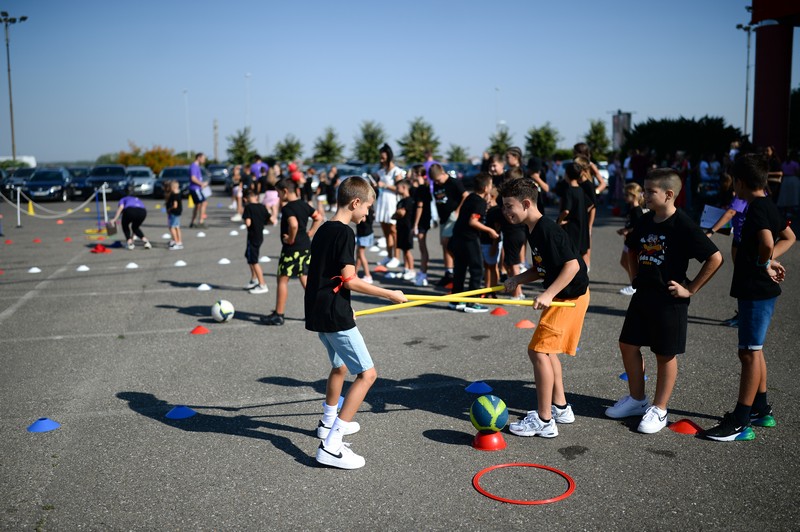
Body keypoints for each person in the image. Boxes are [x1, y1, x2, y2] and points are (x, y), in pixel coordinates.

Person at [606, 168, 723, 434]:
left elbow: (714, 258)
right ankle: (637, 400)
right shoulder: (646, 221)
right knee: (627, 344)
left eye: (650, 191)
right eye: (644, 190)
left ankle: (659, 409)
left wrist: (690, 288)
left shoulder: (683, 224)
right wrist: (635, 276)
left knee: (664, 354)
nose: (644, 196)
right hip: (643, 295)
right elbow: (633, 247)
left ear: (669, 195)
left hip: (670, 300)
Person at [307, 176, 407, 469]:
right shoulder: (345, 233)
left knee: (339, 366)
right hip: (333, 315)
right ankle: (331, 445)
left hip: (320, 311)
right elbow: (349, 280)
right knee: (368, 374)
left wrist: (342, 306)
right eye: (367, 208)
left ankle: (328, 423)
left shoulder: (324, 228)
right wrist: (389, 293)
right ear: (355, 203)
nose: (367, 214)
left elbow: (325, 277)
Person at [704, 153, 796, 442]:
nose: (734, 190)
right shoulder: (768, 203)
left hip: (755, 290)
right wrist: (768, 261)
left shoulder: (756, 209)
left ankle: (741, 421)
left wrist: (763, 262)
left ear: (741, 183)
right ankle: (759, 407)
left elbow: (768, 242)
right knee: (754, 349)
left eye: (734, 184)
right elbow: (790, 237)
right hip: (758, 289)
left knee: (749, 353)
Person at [500, 177, 590, 438]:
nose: (506, 212)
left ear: (526, 203)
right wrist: (518, 279)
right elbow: (543, 268)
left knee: (537, 351)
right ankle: (560, 408)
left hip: (569, 298)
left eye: (509, 206)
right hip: (564, 297)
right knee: (547, 352)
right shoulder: (534, 229)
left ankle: (544, 420)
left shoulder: (547, 230)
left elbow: (572, 265)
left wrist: (549, 293)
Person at [261, 179, 322, 325]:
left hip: (291, 249)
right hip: (306, 246)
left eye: (278, 192)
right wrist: (310, 233)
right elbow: (318, 217)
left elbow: (293, 225)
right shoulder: (303, 204)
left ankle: (279, 314)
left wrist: (291, 239)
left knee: (283, 279)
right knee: (305, 278)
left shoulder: (288, 208)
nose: (277, 196)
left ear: (285, 191)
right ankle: (316, 312)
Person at [447, 173, 498, 313]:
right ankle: (472, 302)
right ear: (486, 187)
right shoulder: (479, 202)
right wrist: (490, 231)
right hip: (469, 238)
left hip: (457, 236)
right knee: (477, 269)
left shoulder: (470, 197)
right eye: (491, 184)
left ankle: (455, 300)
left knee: (460, 269)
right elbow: (473, 221)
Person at [431, 163, 467, 287]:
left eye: (438, 179)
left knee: (448, 243)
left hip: (453, 218)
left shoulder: (454, 182)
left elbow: (465, 196)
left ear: (442, 173)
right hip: (443, 219)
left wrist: (457, 212)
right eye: (435, 181)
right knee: (445, 245)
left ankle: (455, 270)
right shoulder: (436, 185)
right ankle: (448, 272)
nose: (437, 182)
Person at [374, 144, 404, 269]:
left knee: (394, 231)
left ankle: (396, 257)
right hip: (382, 202)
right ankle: (389, 255)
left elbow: (401, 189)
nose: (381, 160)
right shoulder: (380, 171)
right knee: (386, 231)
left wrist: (385, 185)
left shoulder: (397, 171)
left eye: (383, 157)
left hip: (392, 202)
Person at [556, 163, 590, 268]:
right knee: (580, 252)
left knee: (569, 255)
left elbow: (566, 211)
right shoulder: (581, 189)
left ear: (566, 174)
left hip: (571, 227)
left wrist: (559, 221)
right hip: (582, 225)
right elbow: (590, 204)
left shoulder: (568, 191)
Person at [241, 189, 271, 294]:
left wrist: (246, 220)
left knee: (254, 260)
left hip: (252, 236)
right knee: (248, 255)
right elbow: (269, 221)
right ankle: (254, 279)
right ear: (256, 197)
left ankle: (262, 284)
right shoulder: (262, 207)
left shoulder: (248, 208)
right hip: (260, 236)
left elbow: (248, 223)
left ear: (245, 199)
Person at [617, 182, 645, 295]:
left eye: (626, 195)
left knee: (630, 262)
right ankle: (633, 281)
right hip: (628, 240)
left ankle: (634, 285)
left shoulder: (638, 210)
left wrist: (627, 230)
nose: (624, 197)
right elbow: (630, 224)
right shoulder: (631, 208)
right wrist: (624, 230)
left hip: (633, 241)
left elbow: (639, 226)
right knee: (624, 262)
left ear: (633, 196)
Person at [410, 165, 432, 286]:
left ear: (418, 174)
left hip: (422, 221)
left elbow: (420, 206)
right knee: (421, 247)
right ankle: (422, 272)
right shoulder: (422, 187)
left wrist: (415, 224)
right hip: (423, 220)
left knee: (422, 247)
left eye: (413, 173)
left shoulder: (422, 188)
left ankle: (423, 274)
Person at [391, 179, 416, 281]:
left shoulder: (409, 200)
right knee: (402, 249)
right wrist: (397, 213)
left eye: (398, 187)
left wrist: (398, 213)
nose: (396, 189)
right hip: (400, 227)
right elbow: (394, 215)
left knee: (407, 251)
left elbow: (401, 213)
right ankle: (406, 269)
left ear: (404, 188)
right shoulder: (400, 201)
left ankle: (412, 270)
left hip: (407, 228)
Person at [188, 152, 209, 229]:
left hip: (197, 188)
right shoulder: (194, 166)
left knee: (198, 205)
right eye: (203, 158)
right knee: (203, 203)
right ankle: (201, 221)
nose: (204, 160)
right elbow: (193, 178)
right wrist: (201, 184)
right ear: (199, 158)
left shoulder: (197, 166)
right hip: (195, 188)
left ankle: (193, 222)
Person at [164, 180, 183, 251]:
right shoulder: (178, 194)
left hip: (174, 212)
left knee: (172, 227)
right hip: (178, 212)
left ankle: (176, 242)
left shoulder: (174, 195)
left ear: (173, 187)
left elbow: (175, 205)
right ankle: (179, 241)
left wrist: (169, 209)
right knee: (177, 227)